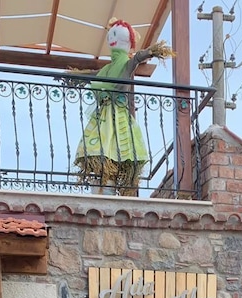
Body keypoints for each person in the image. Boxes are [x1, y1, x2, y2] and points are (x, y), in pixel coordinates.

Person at [74, 19, 173, 196]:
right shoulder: (107, 68)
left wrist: (150, 52)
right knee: (102, 148)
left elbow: (135, 60)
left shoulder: (124, 64)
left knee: (115, 148)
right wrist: (78, 76)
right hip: (104, 113)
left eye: (115, 35)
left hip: (117, 113)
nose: (112, 39)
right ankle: (102, 185)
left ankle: (108, 187)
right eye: (110, 35)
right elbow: (95, 76)